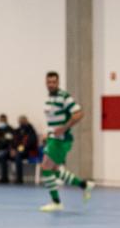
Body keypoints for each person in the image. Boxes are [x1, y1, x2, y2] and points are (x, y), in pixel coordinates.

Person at [40, 71, 93, 211]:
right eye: (49, 82)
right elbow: (52, 121)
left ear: (58, 82)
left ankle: (56, 202)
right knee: (55, 169)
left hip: (61, 140)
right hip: (53, 138)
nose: (51, 84)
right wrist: (47, 133)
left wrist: (64, 128)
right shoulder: (48, 99)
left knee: (45, 168)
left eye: (54, 82)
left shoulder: (64, 97)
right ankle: (84, 185)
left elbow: (79, 113)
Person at [9, 115, 39, 184]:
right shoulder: (17, 130)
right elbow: (12, 142)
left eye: (22, 121)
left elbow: (31, 142)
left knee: (18, 156)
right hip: (16, 151)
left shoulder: (31, 131)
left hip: (28, 151)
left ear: (26, 121)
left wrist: (20, 148)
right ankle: (4, 178)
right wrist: (12, 149)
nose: (21, 123)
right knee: (3, 155)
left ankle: (19, 179)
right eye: (20, 122)